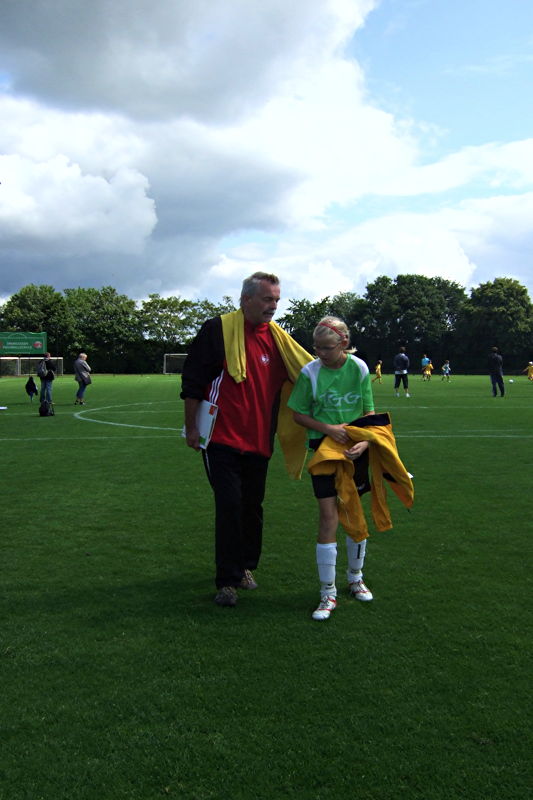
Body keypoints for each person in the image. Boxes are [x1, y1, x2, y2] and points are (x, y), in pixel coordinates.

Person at [180, 272, 312, 607]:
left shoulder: (280, 341)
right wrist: (191, 428)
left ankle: (245, 567)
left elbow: (310, 376)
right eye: (267, 299)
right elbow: (193, 380)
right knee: (229, 505)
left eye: (277, 299)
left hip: (259, 441)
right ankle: (227, 581)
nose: (274, 306)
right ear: (246, 300)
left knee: (252, 507)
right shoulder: (218, 330)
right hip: (220, 438)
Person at [288, 316, 376, 621]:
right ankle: (328, 592)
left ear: (344, 344)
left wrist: (363, 442)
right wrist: (329, 429)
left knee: (354, 512)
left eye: (326, 347)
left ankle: (355, 578)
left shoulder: (359, 368)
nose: (320, 353)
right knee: (328, 516)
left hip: (355, 451)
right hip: (323, 451)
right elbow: (298, 414)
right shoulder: (310, 372)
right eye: (317, 347)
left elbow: (369, 412)